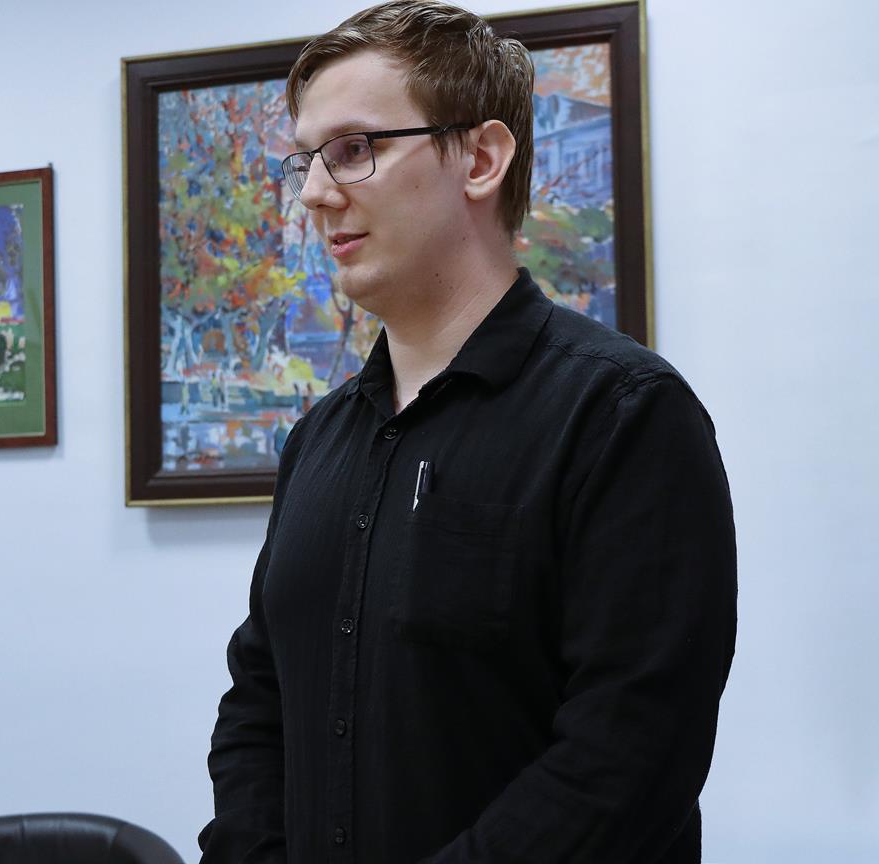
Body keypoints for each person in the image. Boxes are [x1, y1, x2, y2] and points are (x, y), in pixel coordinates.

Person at [200, 3, 736, 863]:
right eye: (307, 160)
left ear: (481, 159)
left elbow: (629, 757)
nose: (314, 193)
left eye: (354, 148)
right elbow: (259, 704)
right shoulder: (318, 440)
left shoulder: (622, 414)